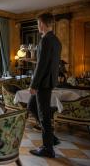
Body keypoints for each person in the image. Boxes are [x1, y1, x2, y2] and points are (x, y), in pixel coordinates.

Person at [28, 12, 62, 158]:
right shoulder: (56, 40)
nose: (38, 26)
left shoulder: (46, 40)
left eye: (38, 23)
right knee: (32, 106)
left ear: (41, 23)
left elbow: (41, 65)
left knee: (44, 115)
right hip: (49, 82)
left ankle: (48, 149)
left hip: (42, 83)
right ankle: (51, 138)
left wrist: (34, 84)